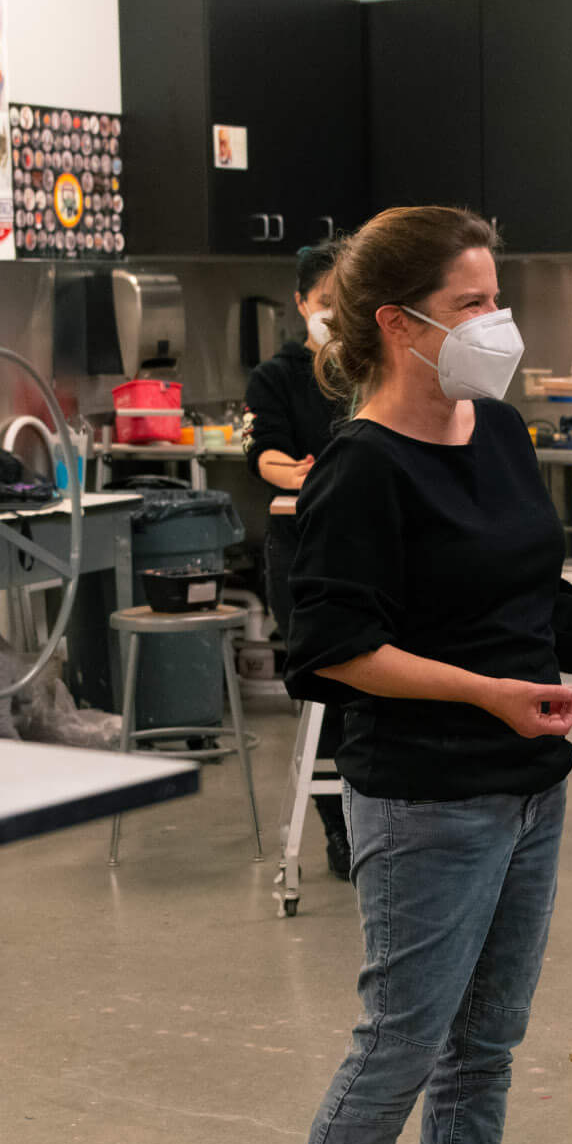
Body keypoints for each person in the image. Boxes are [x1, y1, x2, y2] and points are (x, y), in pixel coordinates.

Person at [233, 207, 572, 1144]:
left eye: (494, 297)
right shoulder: (359, 466)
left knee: (486, 1041)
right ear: (397, 325)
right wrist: (487, 693)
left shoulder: (502, 433)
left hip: (528, 790)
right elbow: (328, 647)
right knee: (400, 1046)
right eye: (472, 304)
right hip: (424, 795)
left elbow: (524, 582)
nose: (496, 323)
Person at [250, 240, 352, 878]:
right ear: (300, 304)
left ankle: (375, 815)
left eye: (346, 304)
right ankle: (339, 828)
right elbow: (266, 456)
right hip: (301, 550)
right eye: (324, 304)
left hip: (363, 544)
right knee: (334, 686)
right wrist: (297, 472)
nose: (334, 316)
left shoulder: (370, 366)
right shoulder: (278, 377)